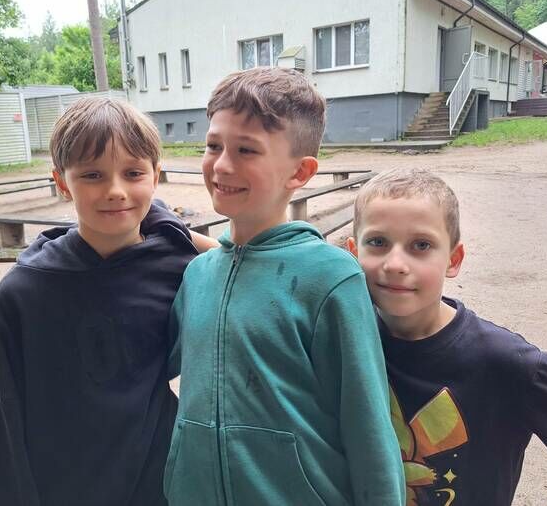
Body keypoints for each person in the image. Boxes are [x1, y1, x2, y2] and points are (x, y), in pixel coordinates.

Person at [164, 67, 406, 506]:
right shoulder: (197, 275)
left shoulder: (331, 277)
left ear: (300, 172)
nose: (222, 165)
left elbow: (368, 426)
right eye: (214, 146)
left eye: (246, 150)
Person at [0, 97, 215, 505]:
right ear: (61, 181)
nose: (115, 191)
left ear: (156, 175)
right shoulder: (23, 292)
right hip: (63, 487)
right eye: (92, 175)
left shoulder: (183, 266)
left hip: (159, 483)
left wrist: (172, 228)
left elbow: (243, 262)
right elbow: (2, 418)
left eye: (133, 173)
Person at [347, 167, 547, 506]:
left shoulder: (503, 360)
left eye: (421, 245)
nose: (395, 264)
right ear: (353, 252)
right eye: (378, 242)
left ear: (453, 259)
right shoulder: (348, 339)